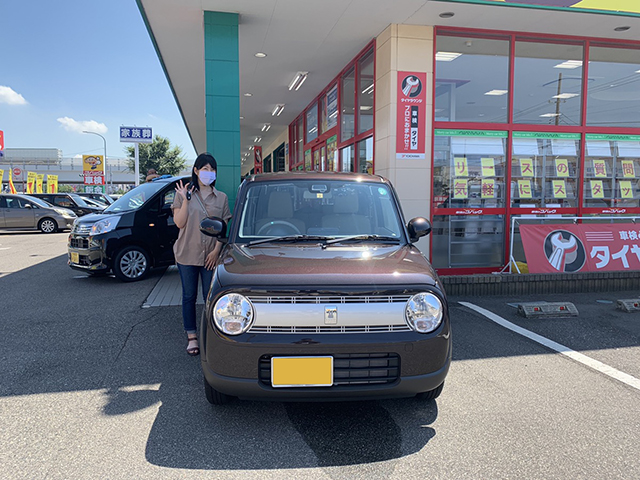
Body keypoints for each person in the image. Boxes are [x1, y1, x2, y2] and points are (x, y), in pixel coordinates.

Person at [172, 153, 231, 356]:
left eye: (212, 169)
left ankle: (210, 334)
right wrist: (185, 201)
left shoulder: (221, 197)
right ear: (196, 171)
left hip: (210, 255)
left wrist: (216, 251)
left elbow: (224, 228)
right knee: (189, 295)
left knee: (210, 296)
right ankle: (192, 336)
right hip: (187, 253)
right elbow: (179, 223)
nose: (209, 173)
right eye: (205, 169)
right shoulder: (183, 194)